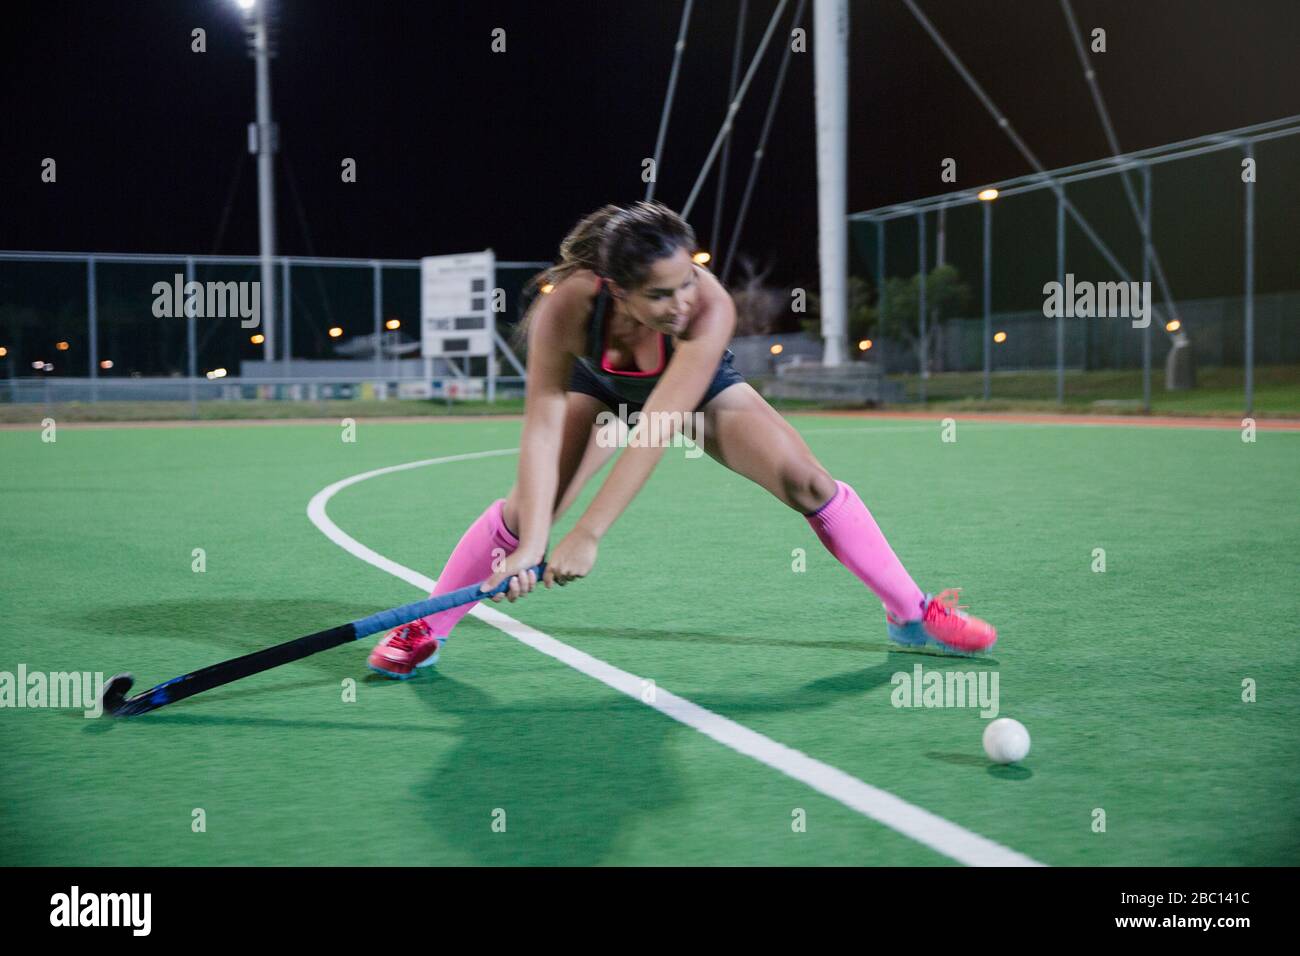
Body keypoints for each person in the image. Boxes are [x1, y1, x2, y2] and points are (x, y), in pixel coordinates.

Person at [367, 201, 995, 678]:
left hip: (685, 384)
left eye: (687, 282)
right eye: (659, 294)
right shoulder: (568, 309)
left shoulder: (708, 310)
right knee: (528, 505)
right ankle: (427, 626)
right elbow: (540, 423)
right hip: (597, 382)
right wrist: (535, 541)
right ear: (615, 289)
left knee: (808, 481)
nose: (679, 303)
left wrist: (587, 535)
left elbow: (660, 423)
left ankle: (911, 613)